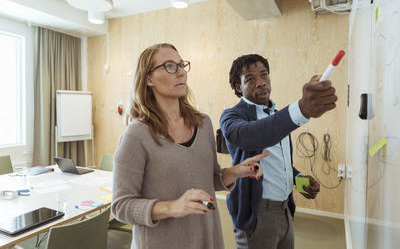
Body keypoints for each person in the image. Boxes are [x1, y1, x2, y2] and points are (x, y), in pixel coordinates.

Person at [111, 44, 268, 249]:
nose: (181, 72)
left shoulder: (203, 124)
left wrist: (236, 172)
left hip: (205, 236)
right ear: (148, 79)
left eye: (181, 65)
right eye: (169, 66)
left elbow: (208, 179)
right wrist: (172, 207)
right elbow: (121, 206)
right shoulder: (136, 135)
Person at [220, 54, 337, 249]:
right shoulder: (232, 117)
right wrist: (300, 109)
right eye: (250, 79)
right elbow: (253, 135)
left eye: (264, 75)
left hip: (285, 210)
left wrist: (299, 179)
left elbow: (278, 162)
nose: (260, 83)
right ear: (238, 87)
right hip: (256, 214)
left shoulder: (276, 116)